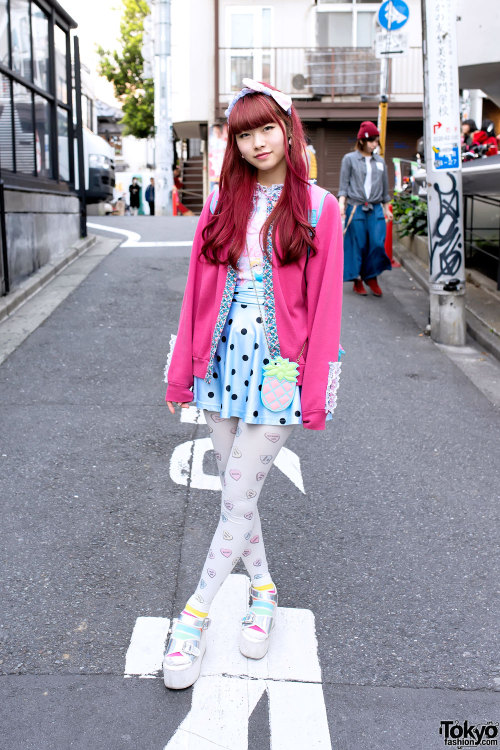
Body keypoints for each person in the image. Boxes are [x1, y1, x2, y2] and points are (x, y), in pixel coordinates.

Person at [162, 78, 344, 690]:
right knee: (240, 500)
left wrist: (314, 391)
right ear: (233, 144)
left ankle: (192, 618)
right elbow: (194, 294)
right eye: (245, 134)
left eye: (268, 128)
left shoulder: (319, 208)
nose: (258, 142)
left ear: (288, 131)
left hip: (279, 375)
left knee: (236, 495)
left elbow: (324, 312)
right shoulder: (219, 206)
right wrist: (180, 371)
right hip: (219, 364)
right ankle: (263, 595)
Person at [338, 121, 392, 297]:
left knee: (377, 243)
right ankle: (357, 279)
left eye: (377, 141)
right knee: (357, 245)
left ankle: (371, 276)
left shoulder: (380, 161)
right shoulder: (349, 159)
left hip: (376, 208)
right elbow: (344, 185)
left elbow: (385, 188)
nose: (375, 144)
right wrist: (341, 204)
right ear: (362, 141)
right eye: (372, 141)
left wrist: (386, 208)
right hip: (356, 207)